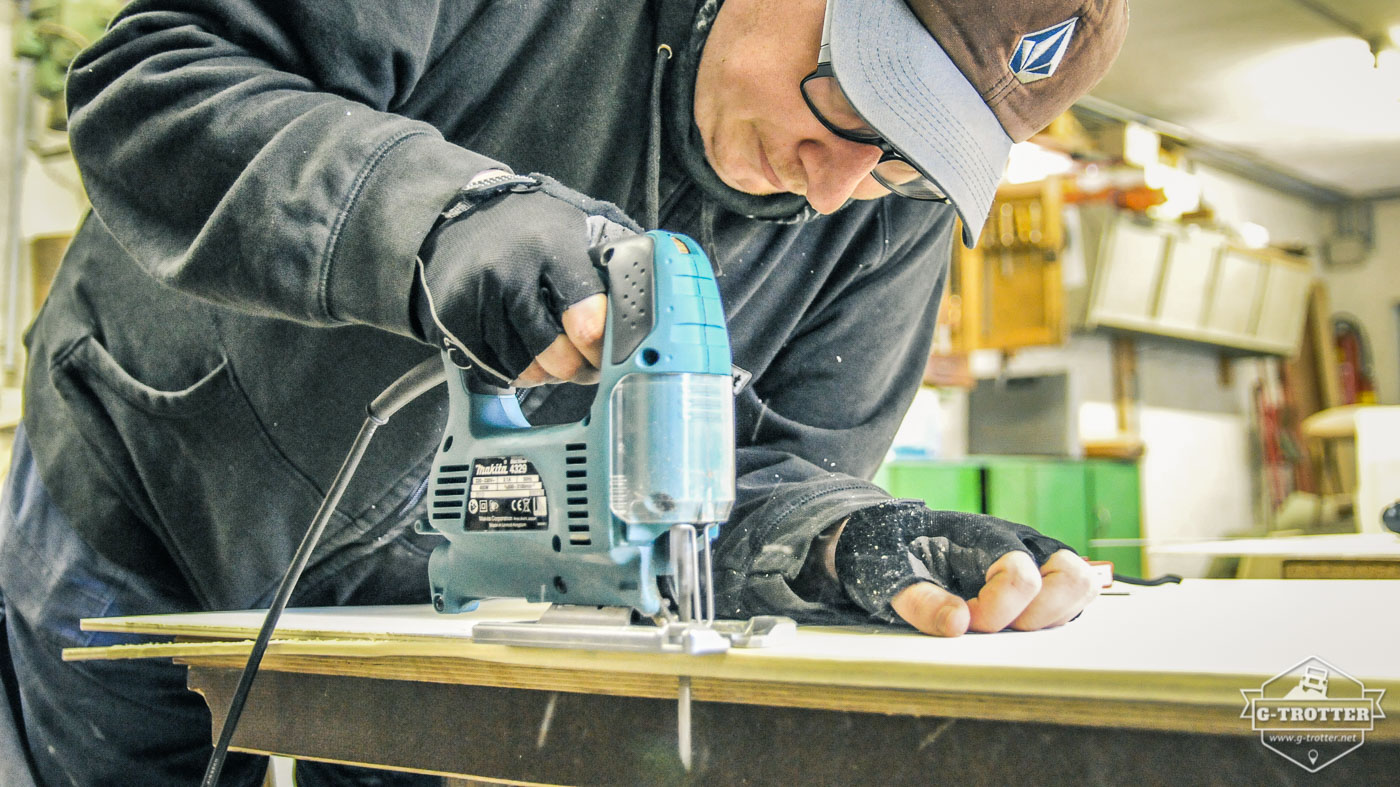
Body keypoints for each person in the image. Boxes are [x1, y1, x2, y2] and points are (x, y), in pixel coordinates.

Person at [0, 0, 1128, 783]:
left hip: (449, 601)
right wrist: (440, 216)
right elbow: (154, 86)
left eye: (900, 158)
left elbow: (777, 468)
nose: (835, 183)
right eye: (849, 102)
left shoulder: (887, 209)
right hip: (148, 459)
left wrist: (837, 542)